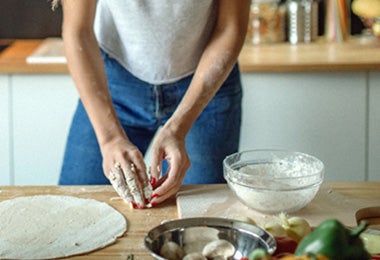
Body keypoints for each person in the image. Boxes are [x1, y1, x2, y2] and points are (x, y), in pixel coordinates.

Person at [58, 0, 250, 209]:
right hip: (114, 80)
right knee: (75, 206)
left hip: (205, 81)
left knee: (204, 218)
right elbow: (77, 30)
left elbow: (230, 27)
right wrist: (110, 138)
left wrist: (179, 127)